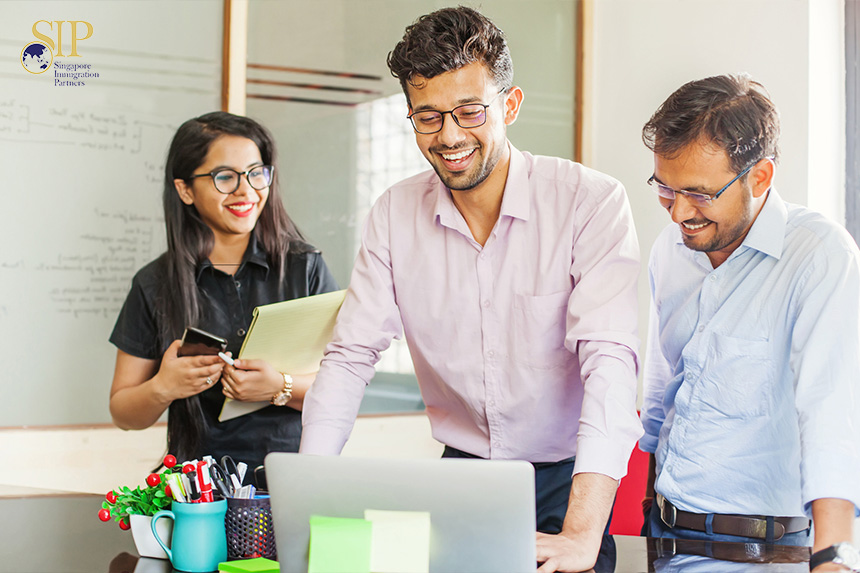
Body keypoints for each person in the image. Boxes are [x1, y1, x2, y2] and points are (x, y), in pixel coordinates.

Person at [299, 7, 642, 572]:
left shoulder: (588, 202)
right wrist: (308, 497)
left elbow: (610, 363)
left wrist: (581, 532)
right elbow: (350, 356)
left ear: (509, 105)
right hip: (460, 476)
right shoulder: (393, 214)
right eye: (428, 117)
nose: (450, 135)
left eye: (469, 111)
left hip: (565, 478)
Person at [639, 74, 860, 569]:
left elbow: (832, 417)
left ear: (759, 177)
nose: (677, 213)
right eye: (665, 189)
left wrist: (835, 556)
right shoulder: (670, 251)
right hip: (665, 541)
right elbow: (661, 398)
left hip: (764, 557)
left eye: (698, 194)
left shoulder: (819, 256)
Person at [109, 111, 338, 479]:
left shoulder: (304, 267)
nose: (246, 190)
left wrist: (279, 387)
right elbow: (123, 412)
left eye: (255, 173)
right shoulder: (153, 283)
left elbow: (343, 390)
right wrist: (163, 387)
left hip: (294, 480)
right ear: (185, 189)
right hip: (197, 491)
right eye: (225, 177)